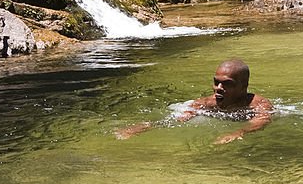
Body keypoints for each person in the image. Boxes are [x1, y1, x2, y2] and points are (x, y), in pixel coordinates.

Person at [116, 59, 273, 144]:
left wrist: (238, 132)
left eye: (227, 83)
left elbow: (261, 121)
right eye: (216, 82)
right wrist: (148, 126)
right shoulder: (207, 103)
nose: (218, 88)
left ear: (243, 86)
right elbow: (180, 118)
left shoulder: (257, 104)